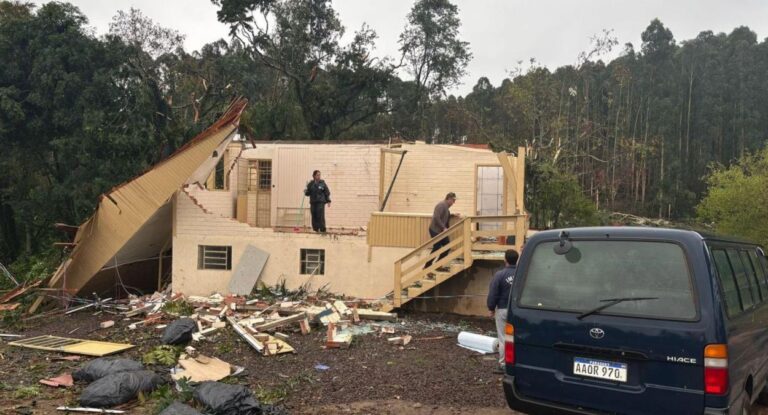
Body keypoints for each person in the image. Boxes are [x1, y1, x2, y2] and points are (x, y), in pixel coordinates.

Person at [487, 248, 519, 373]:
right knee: (515, 337)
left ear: (505, 259)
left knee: (504, 337)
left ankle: (504, 364)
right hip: (518, 310)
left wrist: (491, 308)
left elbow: (493, 293)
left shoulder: (500, 275)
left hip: (502, 309)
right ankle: (516, 362)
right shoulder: (522, 274)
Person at [425, 192, 458, 270]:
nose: (454, 202)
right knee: (437, 247)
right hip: (435, 230)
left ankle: (437, 265)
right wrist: (443, 227)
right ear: (449, 199)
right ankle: (427, 266)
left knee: (447, 247)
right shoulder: (441, 205)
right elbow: (437, 217)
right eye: (453, 200)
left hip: (442, 231)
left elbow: (444, 215)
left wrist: (453, 215)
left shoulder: (446, 206)